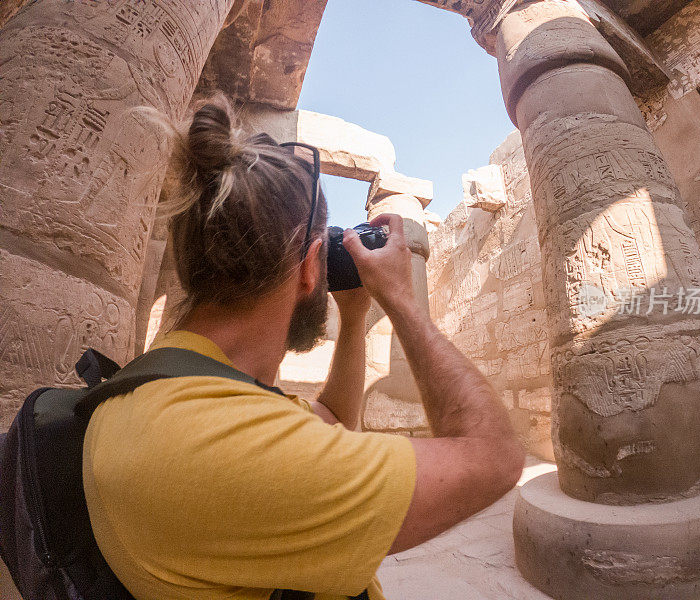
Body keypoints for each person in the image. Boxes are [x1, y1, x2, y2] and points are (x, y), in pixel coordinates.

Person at [83, 97, 525, 600]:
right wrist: (404, 303)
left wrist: (355, 318)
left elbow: (332, 416)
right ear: (314, 265)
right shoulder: (235, 452)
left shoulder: (168, 392)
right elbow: (495, 457)